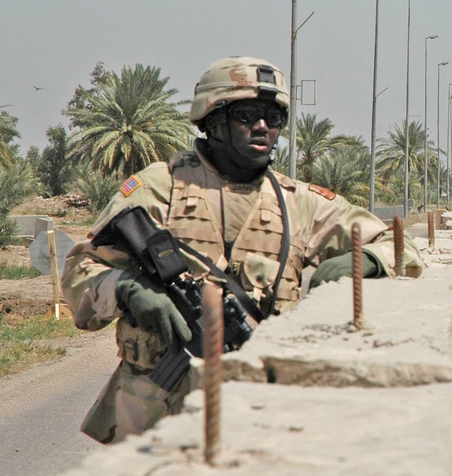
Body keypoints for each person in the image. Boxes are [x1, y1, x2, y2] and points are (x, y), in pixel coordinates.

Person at [62, 56, 423, 443]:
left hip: (255, 413)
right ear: (214, 120)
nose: (263, 126)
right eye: (247, 115)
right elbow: (78, 272)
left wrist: (365, 259)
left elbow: (400, 248)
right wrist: (127, 289)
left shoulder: (300, 202)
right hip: (151, 419)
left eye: (273, 117)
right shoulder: (161, 187)